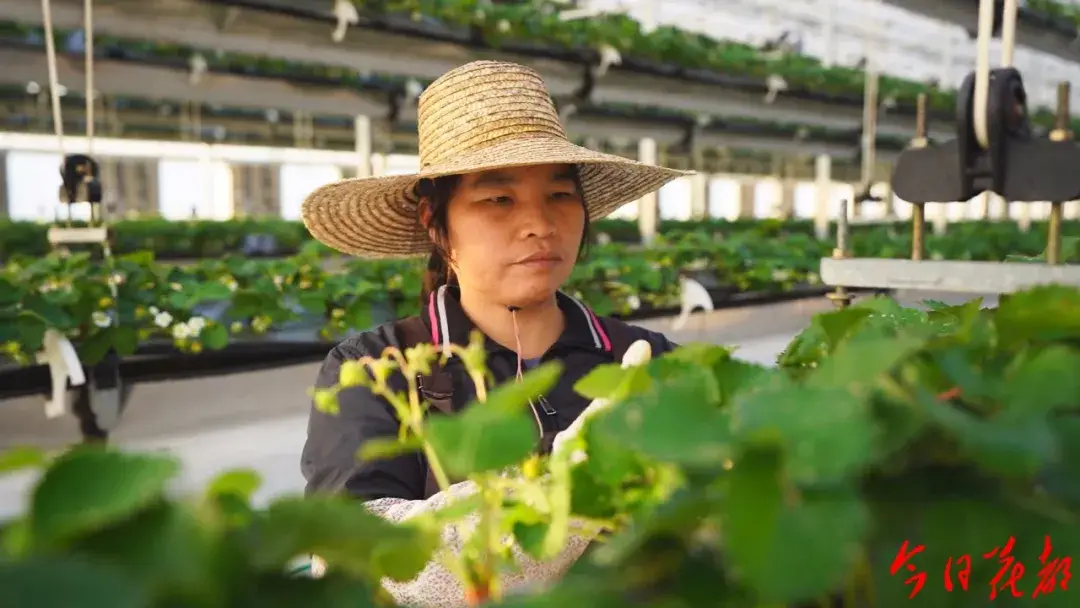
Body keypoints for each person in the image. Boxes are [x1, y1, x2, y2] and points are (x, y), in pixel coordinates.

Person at [298, 60, 689, 607]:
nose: (540, 224)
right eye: (499, 199)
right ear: (436, 224)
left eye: (559, 195)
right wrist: (568, 491)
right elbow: (354, 561)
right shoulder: (377, 368)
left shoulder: (642, 359)